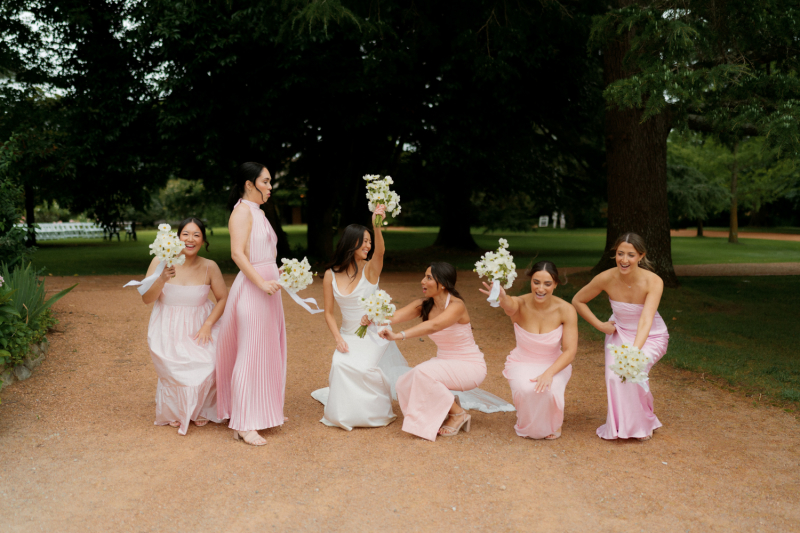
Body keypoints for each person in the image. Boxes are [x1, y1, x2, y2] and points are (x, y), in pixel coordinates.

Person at [311, 205, 410, 430]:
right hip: (347, 334)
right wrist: (338, 338)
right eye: (364, 241)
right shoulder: (330, 275)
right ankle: (345, 414)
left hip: (374, 335)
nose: (368, 245)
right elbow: (328, 312)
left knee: (363, 368)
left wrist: (377, 226)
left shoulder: (370, 269)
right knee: (339, 364)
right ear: (351, 243)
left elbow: (380, 252)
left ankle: (373, 413)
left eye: (369, 241)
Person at [572, 232, 669, 441]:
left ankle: (643, 423)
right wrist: (600, 325)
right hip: (619, 334)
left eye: (631, 255)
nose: (624, 260)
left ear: (641, 256)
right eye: (620, 253)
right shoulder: (606, 277)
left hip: (651, 336)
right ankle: (630, 423)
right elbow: (578, 300)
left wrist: (634, 353)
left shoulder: (654, 281)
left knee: (634, 371)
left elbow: (646, 320)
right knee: (614, 377)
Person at [216, 162, 287, 446]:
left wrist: (281, 272)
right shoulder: (242, 211)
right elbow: (237, 254)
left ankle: (261, 411)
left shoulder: (259, 213)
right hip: (253, 291)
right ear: (249, 184)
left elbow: (263, 255)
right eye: (265, 182)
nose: (270, 187)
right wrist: (261, 283)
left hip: (269, 292)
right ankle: (243, 423)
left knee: (267, 352)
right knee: (249, 354)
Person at [378, 262, 487, 441]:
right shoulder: (424, 305)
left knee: (422, 373)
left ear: (442, 283)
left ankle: (458, 414)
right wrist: (371, 316)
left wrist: (399, 335)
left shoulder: (457, 305)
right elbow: (394, 316)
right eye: (424, 276)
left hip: (469, 365)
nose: (423, 281)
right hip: (444, 361)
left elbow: (434, 325)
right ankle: (446, 405)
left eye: (428, 278)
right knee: (404, 382)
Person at [140, 217, 227, 435]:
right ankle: (175, 410)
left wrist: (208, 325)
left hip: (200, 324)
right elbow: (146, 299)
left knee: (209, 361)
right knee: (175, 368)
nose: (190, 239)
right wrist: (162, 279)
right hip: (168, 326)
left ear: (203, 240)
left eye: (196, 235)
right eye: (185, 234)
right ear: (177, 238)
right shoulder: (160, 261)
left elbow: (223, 298)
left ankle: (201, 408)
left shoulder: (210, 266)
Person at [480, 261, 577, 440]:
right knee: (526, 389)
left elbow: (570, 351)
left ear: (555, 284)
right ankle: (529, 422)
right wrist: (502, 297)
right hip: (522, 361)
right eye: (536, 282)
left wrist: (549, 373)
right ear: (530, 281)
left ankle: (554, 423)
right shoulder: (520, 303)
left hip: (554, 363)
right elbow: (509, 305)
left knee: (549, 389)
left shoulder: (566, 310)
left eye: (547, 284)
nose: (540, 289)